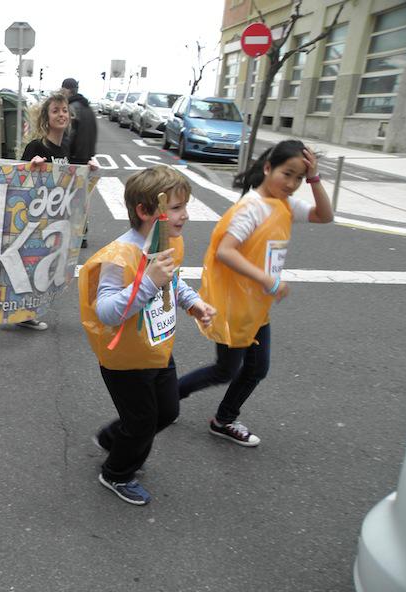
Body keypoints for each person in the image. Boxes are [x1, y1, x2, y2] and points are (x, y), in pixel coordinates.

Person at [177, 140, 333, 447]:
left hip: (255, 305)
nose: (291, 184)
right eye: (287, 174)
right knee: (226, 370)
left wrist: (314, 178)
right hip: (236, 304)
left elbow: (324, 215)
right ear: (267, 168)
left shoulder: (282, 203)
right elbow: (225, 251)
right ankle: (167, 397)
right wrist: (269, 281)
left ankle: (224, 419)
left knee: (256, 368)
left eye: (298, 178)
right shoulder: (252, 208)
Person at [78, 166, 216, 505]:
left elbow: (174, 280)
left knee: (167, 411)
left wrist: (193, 303)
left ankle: (113, 438)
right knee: (141, 424)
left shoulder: (167, 243)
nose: (185, 215)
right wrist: (149, 281)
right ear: (145, 210)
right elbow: (106, 311)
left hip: (156, 350)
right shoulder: (119, 256)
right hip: (125, 361)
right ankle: (116, 472)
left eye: (185, 206)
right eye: (176, 207)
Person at [19, 92, 73, 331]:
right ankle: (24, 313)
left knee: (43, 266)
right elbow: (18, 181)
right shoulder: (36, 146)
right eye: (56, 111)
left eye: (64, 110)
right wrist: (32, 168)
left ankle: (25, 312)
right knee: (30, 264)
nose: (61, 114)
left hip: (52, 219)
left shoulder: (65, 149)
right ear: (46, 118)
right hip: (33, 217)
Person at [60, 78, 97, 248]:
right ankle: (82, 235)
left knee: (70, 199)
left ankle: (73, 235)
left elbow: (69, 136)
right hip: (86, 158)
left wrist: (64, 156)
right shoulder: (88, 108)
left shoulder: (73, 109)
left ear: (67, 90)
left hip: (74, 159)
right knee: (82, 200)